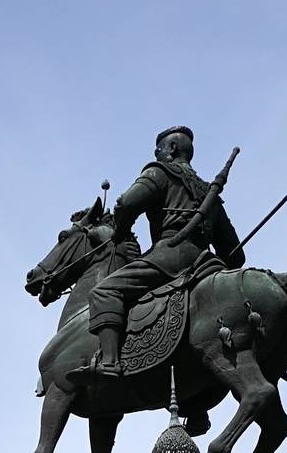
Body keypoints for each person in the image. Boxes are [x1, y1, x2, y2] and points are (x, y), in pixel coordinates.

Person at [84, 125, 242, 376]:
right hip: (206, 262)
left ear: (170, 148)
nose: (157, 154)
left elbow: (126, 203)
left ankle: (110, 362)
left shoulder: (159, 172)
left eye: (158, 149)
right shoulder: (208, 193)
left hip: (168, 257)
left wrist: (120, 231)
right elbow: (235, 254)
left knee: (104, 291)